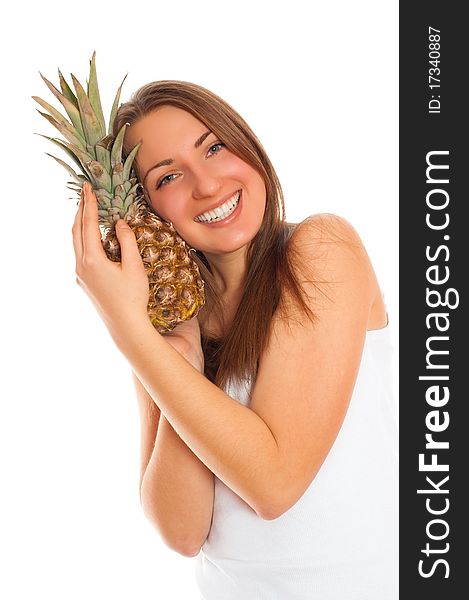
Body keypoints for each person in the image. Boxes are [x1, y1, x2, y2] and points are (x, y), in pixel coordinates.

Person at [72, 80, 398, 599]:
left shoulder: (322, 248)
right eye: (169, 176)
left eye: (214, 147)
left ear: (242, 140)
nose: (206, 185)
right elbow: (181, 532)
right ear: (145, 211)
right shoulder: (164, 326)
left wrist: (127, 331)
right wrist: (179, 350)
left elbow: (274, 484)